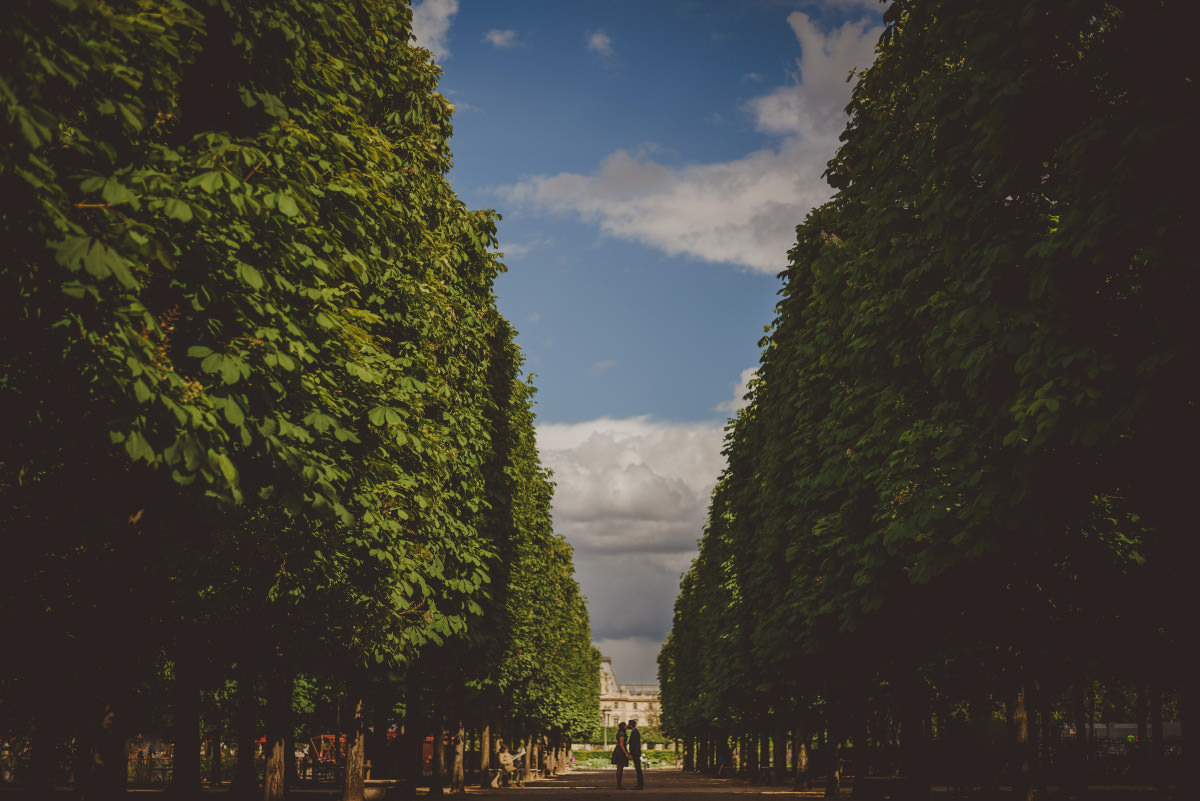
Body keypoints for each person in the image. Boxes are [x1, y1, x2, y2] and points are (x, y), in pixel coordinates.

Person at [610, 722, 630, 788]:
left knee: (619, 768)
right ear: (623, 726)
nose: (626, 726)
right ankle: (619, 785)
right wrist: (626, 754)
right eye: (625, 725)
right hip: (620, 752)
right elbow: (621, 744)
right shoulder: (622, 733)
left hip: (619, 750)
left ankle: (619, 784)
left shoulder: (621, 732)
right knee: (620, 768)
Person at [627, 719, 644, 789]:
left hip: (635, 752)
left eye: (629, 724)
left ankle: (640, 785)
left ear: (631, 725)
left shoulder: (634, 732)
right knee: (638, 769)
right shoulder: (635, 731)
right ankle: (640, 784)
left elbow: (633, 744)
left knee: (638, 769)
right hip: (637, 752)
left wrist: (631, 753)